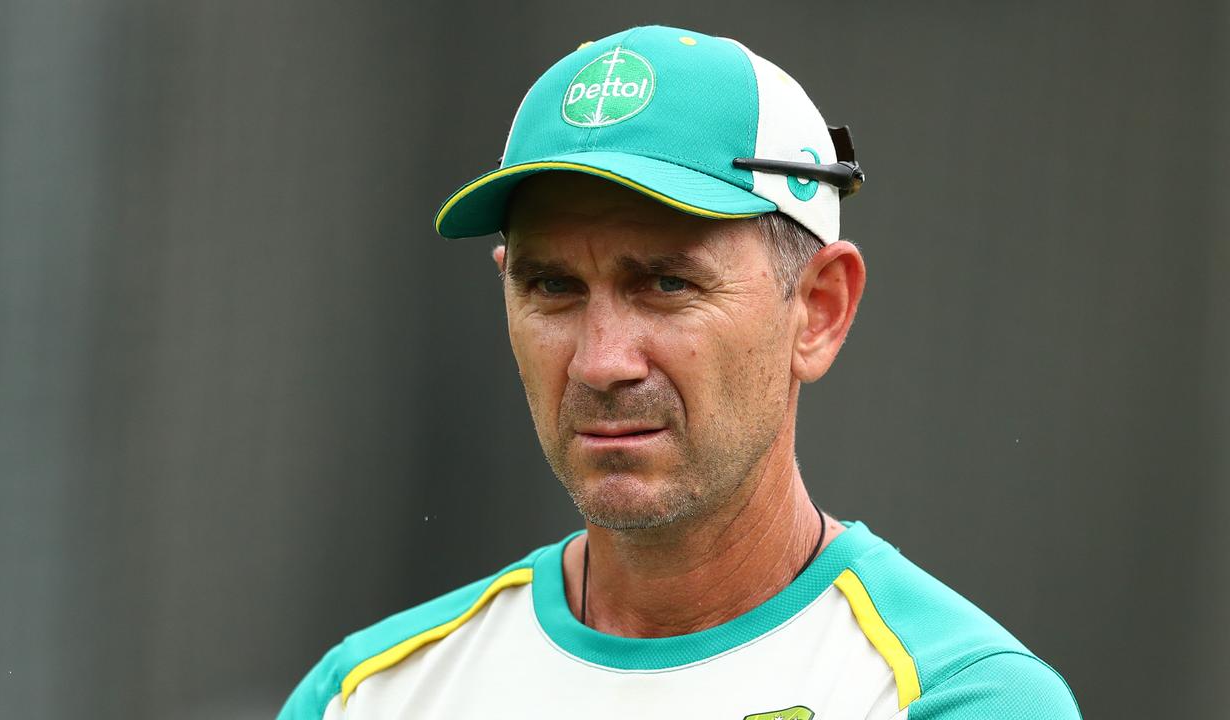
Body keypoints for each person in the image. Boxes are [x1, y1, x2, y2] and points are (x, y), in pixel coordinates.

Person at [278, 25, 1080, 720]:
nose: (601, 361)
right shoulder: (364, 696)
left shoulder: (950, 699)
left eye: (667, 285)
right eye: (552, 287)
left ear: (820, 309)